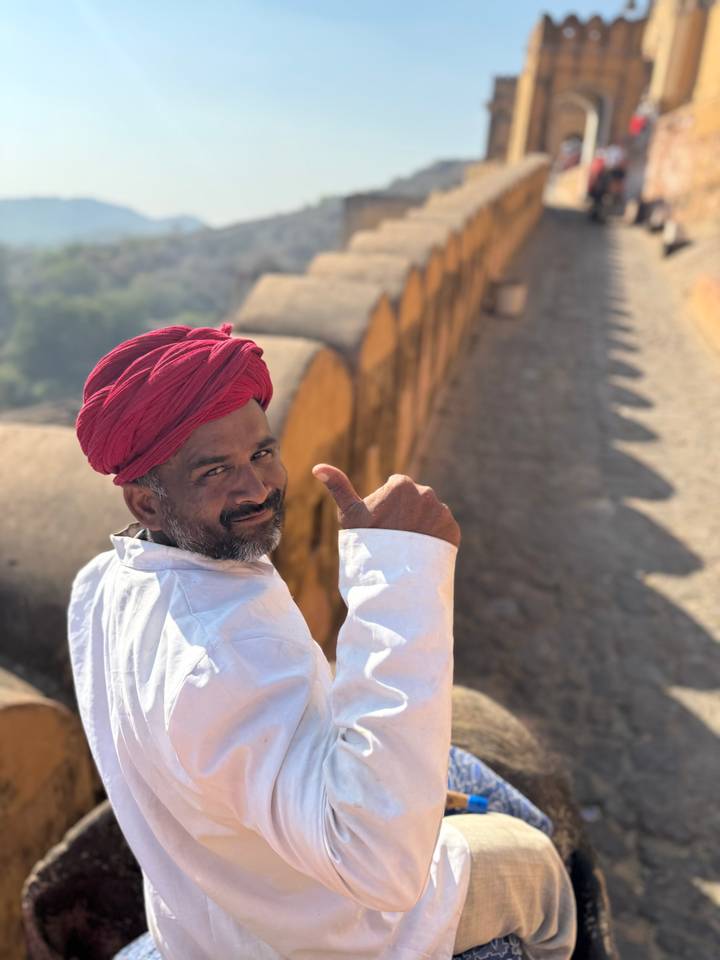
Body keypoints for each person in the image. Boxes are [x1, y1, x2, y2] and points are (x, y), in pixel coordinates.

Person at [69, 323, 576, 959]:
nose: (255, 489)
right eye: (214, 471)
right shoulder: (221, 662)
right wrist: (399, 574)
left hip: (207, 921)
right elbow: (380, 868)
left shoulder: (101, 584)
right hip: (330, 936)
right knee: (541, 867)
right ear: (146, 503)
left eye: (261, 454)